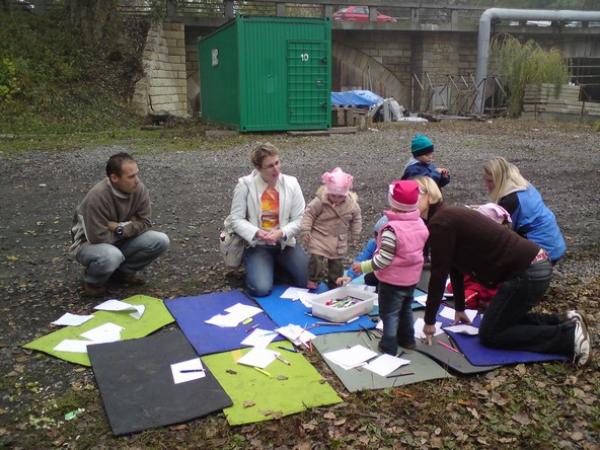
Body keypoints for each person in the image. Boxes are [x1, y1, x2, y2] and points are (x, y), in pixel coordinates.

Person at [414, 176, 591, 367]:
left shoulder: (440, 222)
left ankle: (568, 338)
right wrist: (459, 308)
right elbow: (454, 266)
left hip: (527, 272)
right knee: (500, 318)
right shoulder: (445, 217)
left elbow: (439, 275)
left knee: (491, 334)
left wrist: (429, 321)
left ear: (430, 196)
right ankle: (563, 320)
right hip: (532, 267)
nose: (411, 199)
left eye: (417, 193)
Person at [70, 153, 170, 297]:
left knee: (160, 240)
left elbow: (145, 222)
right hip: (87, 244)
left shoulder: (139, 189)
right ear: (114, 178)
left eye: (137, 174)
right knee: (112, 256)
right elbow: (97, 237)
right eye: (131, 176)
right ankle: (92, 282)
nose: (137, 180)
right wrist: (131, 225)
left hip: (118, 237)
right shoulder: (97, 197)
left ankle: (122, 273)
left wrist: (118, 228)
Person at [352, 180, 429, 356]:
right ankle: (407, 340)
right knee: (406, 309)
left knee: (389, 314)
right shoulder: (420, 223)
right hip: (411, 279)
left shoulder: (391, 229)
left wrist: (363, 267)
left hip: (392, 281)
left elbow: (383, 260)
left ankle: (388, 345)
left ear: (393, 202)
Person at [229, 142, 308, 297]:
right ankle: (259, 268)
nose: (276, 169)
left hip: (284, 244)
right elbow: (236, 219)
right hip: (258, 245)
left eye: (277, 163)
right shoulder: (244, 185)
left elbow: (300, 218)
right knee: (261, 289)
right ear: (258, 168)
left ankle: (273, 268)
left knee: (305, 281)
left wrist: (281, 233)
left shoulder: (292, 183)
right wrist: (257, 232)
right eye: (270, 166)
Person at [483, 156, 566, 263]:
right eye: (485, 180)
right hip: (555, 243)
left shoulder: (509, 201)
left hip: (542, 252)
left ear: (500, 179)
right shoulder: (521, 184)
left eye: (490, 181)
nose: (486, 185)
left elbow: (500, 233)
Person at [301, 167, 362, 289]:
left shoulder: (351, 205)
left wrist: (355, 233)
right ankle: (314, 278)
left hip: (338, 238)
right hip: (320, 234)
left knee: (336, 263)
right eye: (333, 195)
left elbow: (356, 219)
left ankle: (335, 282)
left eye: (340, 196)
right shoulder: (320, 201)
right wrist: (306, 229)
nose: (336, 199)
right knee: (316, 258)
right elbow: (309, 214)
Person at [445, 203, 512, 311]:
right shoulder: (483, 242)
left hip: (491, 288)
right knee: (453, 286)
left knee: (465, 298)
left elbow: (490, 283)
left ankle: (486, 305)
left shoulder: (495, 249)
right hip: (480, 281)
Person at [336, 215, 388, 288]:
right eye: (376, 235)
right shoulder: (373, 244)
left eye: (380, 237)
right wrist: (349, 276)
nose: (377, 239)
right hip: (379, 273)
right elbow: (361, 259)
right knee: (368, 279)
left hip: (395, 278)